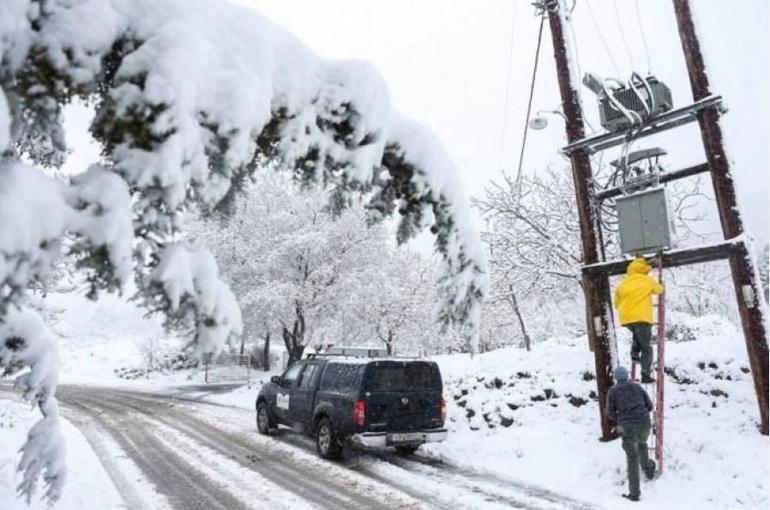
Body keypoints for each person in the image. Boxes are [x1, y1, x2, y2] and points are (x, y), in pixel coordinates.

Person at [607, 365, 656, 502]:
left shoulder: (613, 391)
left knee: (632, 458)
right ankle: (647, 467)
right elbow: (650, 406)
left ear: (616, 377)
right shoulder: (637, 387)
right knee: (642, 443)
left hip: (628, 426)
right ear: (627, 376)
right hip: (644, 423)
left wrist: (620, 419)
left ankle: (634, 493)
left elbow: (610, 413)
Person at [613, 257, 664, 383]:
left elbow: (616, 303)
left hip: (626, 318)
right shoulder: (646, 280)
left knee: (638, 335)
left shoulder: (623, 283)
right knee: (647, 348)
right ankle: (645, 375)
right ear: (644, 270)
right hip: (642, 317)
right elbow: (659, 290)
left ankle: (634, 354)